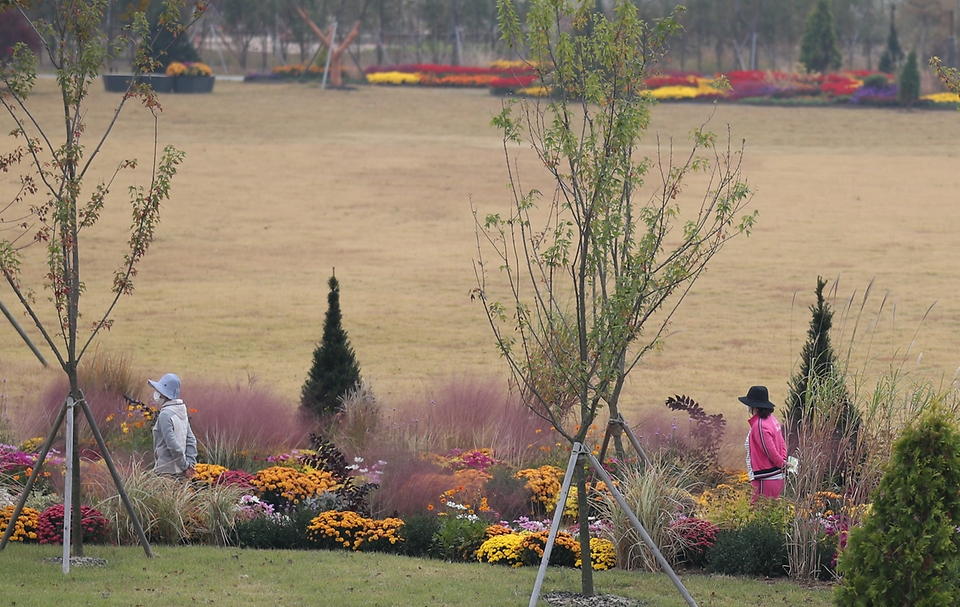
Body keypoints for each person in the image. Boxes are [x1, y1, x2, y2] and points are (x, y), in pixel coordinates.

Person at [739, 385, 787, 501]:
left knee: (758, 514)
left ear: (753, 406)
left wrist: (782, 464)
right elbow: (782, 443)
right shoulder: (772, 420)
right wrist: (783, 463)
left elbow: (770, 452)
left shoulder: (760, 426)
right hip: (774, 478)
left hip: (765, 479)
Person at [149, 373, 197, 480]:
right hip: (181, 472)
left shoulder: (165, 415)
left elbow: (173, 445)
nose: (157, 394)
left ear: (164, 394)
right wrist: (190, 465)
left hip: (166, 472)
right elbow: (191, 440)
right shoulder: (181, 411)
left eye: (159, 391)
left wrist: (186, 467)